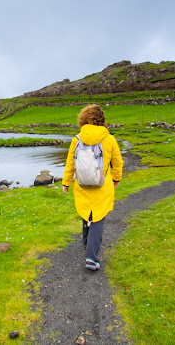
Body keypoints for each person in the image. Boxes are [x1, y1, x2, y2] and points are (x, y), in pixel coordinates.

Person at [62, 104, 123, 271]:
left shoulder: (77, 140)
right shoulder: (109, 139)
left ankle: (86, 243)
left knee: (86, 212)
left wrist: (66, 182)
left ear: (83, 119)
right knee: (98, 218)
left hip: (82, 184)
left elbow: (70, 164)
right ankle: (91, 258)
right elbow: (117, 162)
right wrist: (116, 179)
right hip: (102, 185)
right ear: (101, 120)